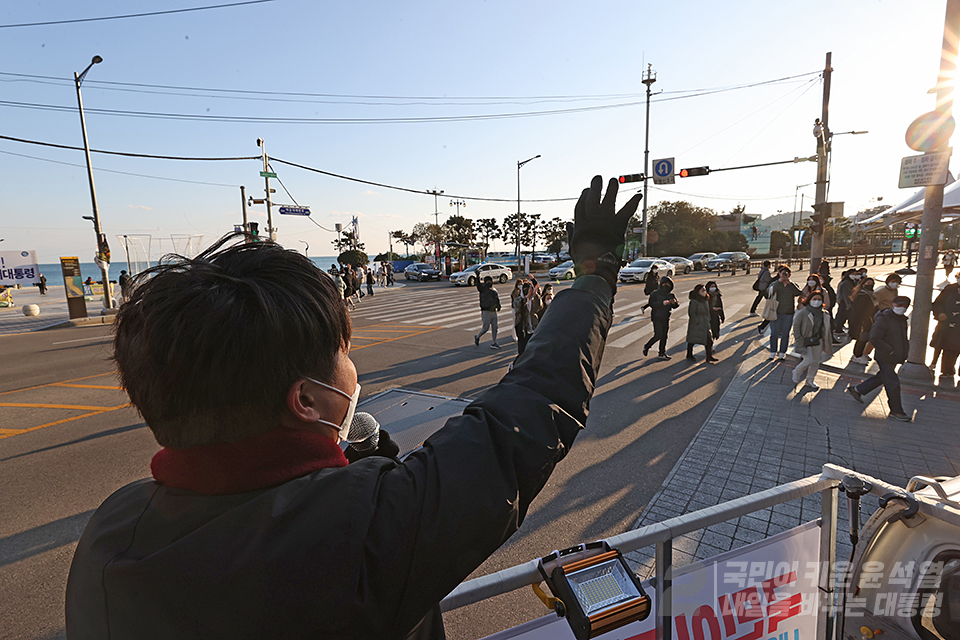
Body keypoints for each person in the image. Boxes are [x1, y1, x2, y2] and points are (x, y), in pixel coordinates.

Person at [64, 174, 642, 640]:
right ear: (307, 401)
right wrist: (593, 278)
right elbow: (529, 408)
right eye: (344, 351)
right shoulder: (362, 526)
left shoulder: (110, 532)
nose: (353, 366)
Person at [847, 296, 913, 422]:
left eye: (905, 306)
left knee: (882, 376)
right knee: (893, 383)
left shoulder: (901, 319)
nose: (902, 308)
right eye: (899, 305)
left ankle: (857, 390)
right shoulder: (884, 318)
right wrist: (889, 349)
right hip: (885, 356)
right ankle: (896, 410)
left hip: (895, 355)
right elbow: (875, 338)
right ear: (892, 305)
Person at [791, 291, 827, 389]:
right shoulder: (803, 312)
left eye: (819, 300)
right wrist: (798, 338)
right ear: (809, 300)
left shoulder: (823, 314)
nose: (817, 301)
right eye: (814, 299)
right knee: (808, 360)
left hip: (817, 340)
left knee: (815, 362)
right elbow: (796, 325)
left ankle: (810, 380)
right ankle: (797, 371)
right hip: (805, 340)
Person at [931, 272, 960, 386]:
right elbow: (937, 304)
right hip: (947, 325)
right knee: (947, 348)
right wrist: (940, 313)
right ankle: (947, 371)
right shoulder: (950, 289)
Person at [768, 267, 802, 360]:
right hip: (775, 312)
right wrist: (779, 281)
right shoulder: (775, 284)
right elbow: (769, 292)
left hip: (788, 313)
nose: (784, 275)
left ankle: (783, 352)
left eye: (786, 274)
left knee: (785, 333)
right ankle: (773, 351)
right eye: (782, 273)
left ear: (789, 275)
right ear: (779, 274)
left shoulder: (792, 285)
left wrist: (790, 284)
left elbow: (798, 293)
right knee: (774, 332)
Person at [642, 276, 679, 360]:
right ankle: (647, 346)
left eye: (668, 284)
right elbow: (652, 304)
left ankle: (662, 353)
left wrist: (674, 303)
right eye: (664, 284)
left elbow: (676, 305)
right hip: (657, 317)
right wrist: (662, 303)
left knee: (664, 336)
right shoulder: (655, 293)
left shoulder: (670, 295)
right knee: (658, 335)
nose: (666, 285)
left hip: (666, 317)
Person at [849, 277, 878, 365]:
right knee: (862, 338)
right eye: (868, 283)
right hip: (863, 320)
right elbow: (861, 310)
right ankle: (857, 356)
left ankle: (860, 354)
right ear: (863, 284)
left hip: (867, 319)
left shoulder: (870, 294)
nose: (870, 285)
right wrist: (864, 320)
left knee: (864, 337)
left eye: (871, 283)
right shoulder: (862, 295)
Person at [686, 283, 717, 363]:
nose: (704, 291)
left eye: (705, 290)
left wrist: (708, 319)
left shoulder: (705, 299)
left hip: (705, 323)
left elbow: (707, 311)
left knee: (709, 340)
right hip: (697, 324)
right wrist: (697, 321)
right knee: (693, 339)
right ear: (698, 291)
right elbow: (692, 313)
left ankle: (709, 356)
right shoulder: (694, 301)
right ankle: (689, 354)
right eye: (702, 290)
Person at [474, 275, 502, 349]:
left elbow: (497, 299)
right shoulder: (483, 289)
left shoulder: (494, 290)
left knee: (495, 327)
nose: (489, 282)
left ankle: (494, 342)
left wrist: (499, 306)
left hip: (493, 312)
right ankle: (477, 337)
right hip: (486, 311)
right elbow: (478, 286)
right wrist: (477, 277)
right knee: (485, 328)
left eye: (490, 281)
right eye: (487, 281)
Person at [834, 269, 857, 334]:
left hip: (847, 302)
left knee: (844, 316)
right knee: (843, 316)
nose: (854, 276)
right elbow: (846, 294)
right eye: (853, 274)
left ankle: (839, 328)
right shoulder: (847, 282)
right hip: (845, 302)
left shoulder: (852, 281)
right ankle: (838, 329)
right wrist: (848, 304)